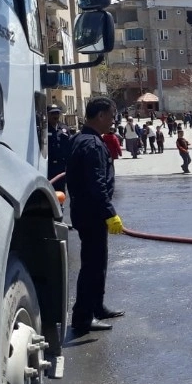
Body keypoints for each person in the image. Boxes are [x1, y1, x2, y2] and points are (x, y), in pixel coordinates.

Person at [65, 96, 126, 337]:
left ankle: (96, 307)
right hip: (92, 214)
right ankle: (82, 319)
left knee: (98, 263)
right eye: (111, 116)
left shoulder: (82, 139)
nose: (113, 121)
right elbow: (96, 183)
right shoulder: (91, 144)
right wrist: (110, 213)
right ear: (100, 116)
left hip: (86, 212)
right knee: (92, 266)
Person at [46, 105, 70, 191]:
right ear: (48, 114)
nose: (55, 116)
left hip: (61, 165)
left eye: (57, 113)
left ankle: (61, 205)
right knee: (50, 190)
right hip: (49, 166)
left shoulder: (64, 128)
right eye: (52, 113)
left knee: (61, 191)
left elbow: (69, 145)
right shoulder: (44, 128)